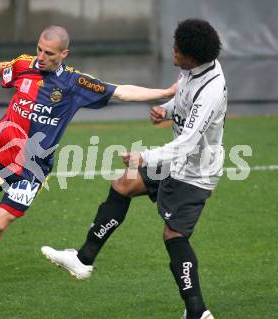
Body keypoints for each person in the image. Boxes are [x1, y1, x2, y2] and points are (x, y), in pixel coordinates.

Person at [0, 25, 176, 277]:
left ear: (64, 54)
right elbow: (7, 66)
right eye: (39, 49)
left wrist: (165, 93)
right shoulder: (25, 65)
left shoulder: (74, 83)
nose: (41, 57)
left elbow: (120, 91)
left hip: (31, 172)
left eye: (49, 53)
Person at [42, 19, 226, 319]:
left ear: (192, 55)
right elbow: (183, 95)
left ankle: (198, 311)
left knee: (174, 236)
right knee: (123, 184)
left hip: (195, 172)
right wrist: (165, 110)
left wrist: (146, 157)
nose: (173, 51)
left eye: (177, 49)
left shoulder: (212, 90)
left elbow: (190, 141)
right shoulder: (196, 67)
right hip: (175, 161)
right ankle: (84, 259)